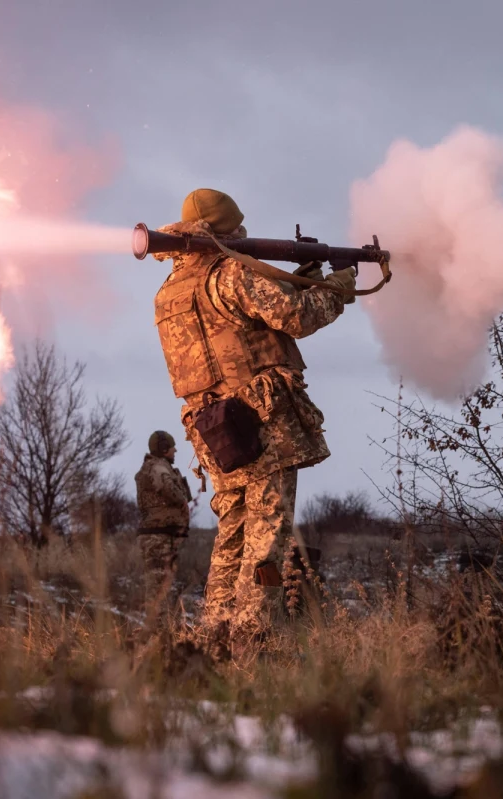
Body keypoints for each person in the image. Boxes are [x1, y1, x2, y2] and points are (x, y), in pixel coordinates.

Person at [150, 188, 355, 660]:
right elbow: (297, 317)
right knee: (269, 532)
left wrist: (300, 280)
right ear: (227, 229)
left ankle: (215, 634)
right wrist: (339, 286)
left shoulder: (169, 292)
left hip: (211, 427)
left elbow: (241, 325)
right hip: (261, 420)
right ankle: (253, 638)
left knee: (233, 530)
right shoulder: (231, 273)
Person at [135, 430, 192, 601]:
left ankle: (160, 619)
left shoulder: (155, 467)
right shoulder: (158, 467)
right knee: (158, 589)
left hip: (160, 535)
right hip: (157, 537)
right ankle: (157, 620)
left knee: (160, 588)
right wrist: (181, 493)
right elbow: (172, 492)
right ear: (164, 448)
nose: (175, 450)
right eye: (172, 447)